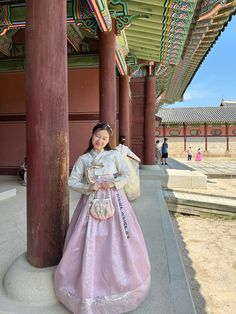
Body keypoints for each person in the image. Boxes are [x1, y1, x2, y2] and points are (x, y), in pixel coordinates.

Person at [54, 122, 151, 314]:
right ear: (92, 135)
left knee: (118, 238)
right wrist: (89, 187)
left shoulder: (114, 155)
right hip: (90, 201)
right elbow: (72, 181)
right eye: (98, 136)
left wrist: (114, 184)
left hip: (115, 200)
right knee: (86, 237)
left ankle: (119, 281)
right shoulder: (83, 159)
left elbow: (127, 174)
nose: (100, 140)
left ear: (108, 141)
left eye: (104, 138)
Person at [116, 135, 141, 201]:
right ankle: (123, 195)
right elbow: (132, 154)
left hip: (121, 164)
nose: (123, 141)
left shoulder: (118, 148)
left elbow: (131, 154)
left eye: (123, 139)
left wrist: (138, 159)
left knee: (125, 178)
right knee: (125, 178)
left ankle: (124, 195)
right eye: (123, 139)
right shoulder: (121, 148)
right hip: (123, 164)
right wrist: (139, 159)